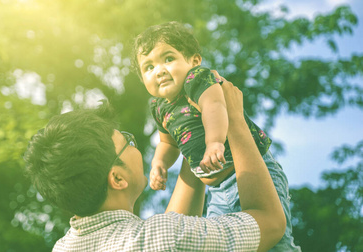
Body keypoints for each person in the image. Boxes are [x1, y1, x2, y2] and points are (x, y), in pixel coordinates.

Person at [24, 76, 286, 251]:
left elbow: (171, 234)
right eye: (127, 141)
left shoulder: (64, 248)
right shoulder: (161, 237)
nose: (133, 142)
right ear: (117, 178)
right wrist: (235, 121)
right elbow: (270, 222)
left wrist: (192, 142)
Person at [132, 21, 301, 251]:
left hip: (249, 171)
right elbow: (167, 142)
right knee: (222, 242)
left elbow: (215, 107)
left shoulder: (197, 79)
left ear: (194, 61)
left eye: (168, 59)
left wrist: (214, 142)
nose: (159, 70)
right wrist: (159, 163)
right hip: (218, 190)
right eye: (148, 67)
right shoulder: (159, 107)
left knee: (272, 243)